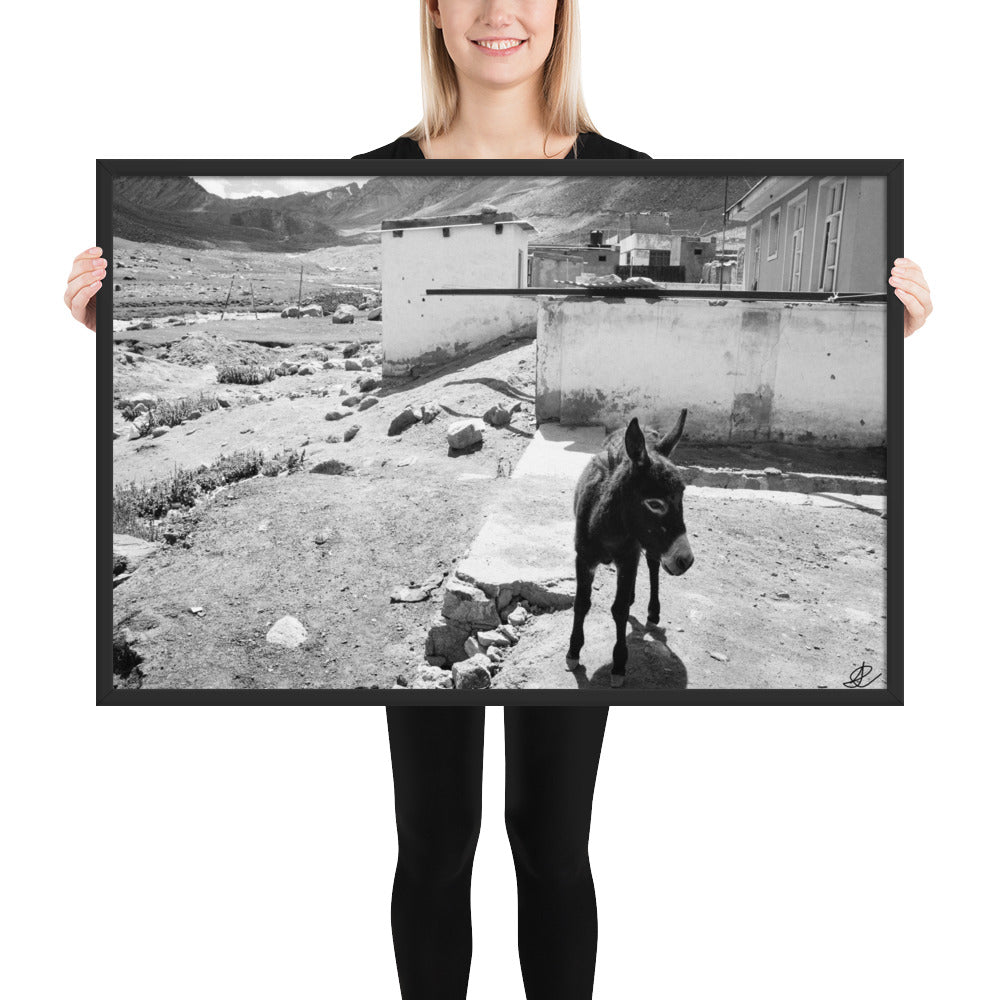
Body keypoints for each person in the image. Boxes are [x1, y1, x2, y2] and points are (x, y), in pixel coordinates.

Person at [68, 3, 933, 998]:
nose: (496, 12)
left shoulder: (628, 166)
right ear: (430, 14)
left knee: (551, 843)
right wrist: (106, 326)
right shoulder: (383, 170)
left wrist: (888, 346)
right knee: (435, 845)